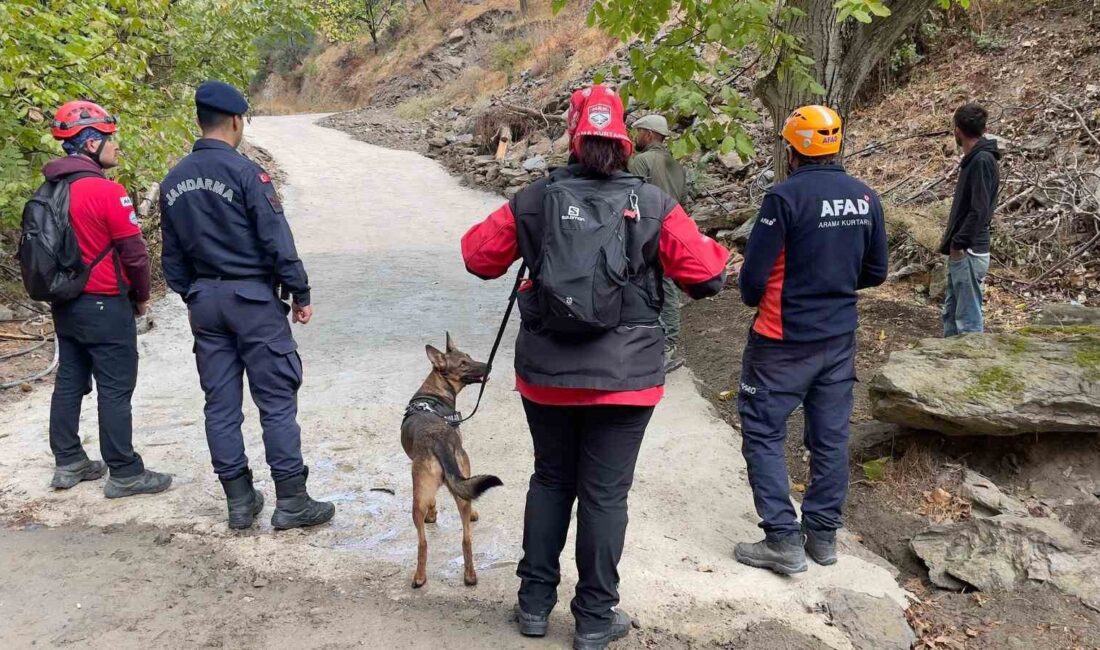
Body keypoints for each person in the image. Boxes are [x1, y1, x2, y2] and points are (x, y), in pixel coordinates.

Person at [462, 85, 729, 650]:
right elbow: (706, 278)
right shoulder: (652, 203)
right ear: (624, 138)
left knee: (551, 479)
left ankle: (534, 606)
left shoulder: (537, 198)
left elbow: (477, 256)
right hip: (627, 380)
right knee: (606, 494)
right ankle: (593, 619)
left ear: (574, 135)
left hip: (547, 376)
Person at [160, 80, 334, 531]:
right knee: (276, 402)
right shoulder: (246, 174)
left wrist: (196, 294)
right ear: (236, 121)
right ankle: (292, 501)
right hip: (253, 301)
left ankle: (239, 501)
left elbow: (172, 259)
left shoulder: (174, 179)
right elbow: (276, 238)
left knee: (220, 405)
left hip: (205, 301)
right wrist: (300, 292)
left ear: (200, 120)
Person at [734, 106, 888, 575]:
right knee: (830, 435)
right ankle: (822, 537)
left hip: (782, 340)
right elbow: (876, 272)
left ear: (792, 149)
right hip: (838, 338)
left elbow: (751, 283)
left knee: (762, 429)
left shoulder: (783, 199)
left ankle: (782, 538)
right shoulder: (865, 197)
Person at [43, 100, 173, 498]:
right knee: (115, 387)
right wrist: (141, 296)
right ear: (89, 143)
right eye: (109, 138)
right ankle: (125, 472)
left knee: (69, 380)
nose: (115, 145)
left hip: (66, 303)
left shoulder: (49, 189)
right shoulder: (107, 191)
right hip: (104, 302)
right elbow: (134, 254)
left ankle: (68, 461)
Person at [627, 114, 689, 372]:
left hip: (648, 231)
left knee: (649, 285)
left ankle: (659, 347)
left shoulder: (641, 162)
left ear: (650, 135)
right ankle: (668, 343)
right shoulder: (676, 164)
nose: (636, 137)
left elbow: (630, 197)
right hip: (673, 230)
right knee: (668, 285)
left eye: (639, 132)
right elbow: (684, 199)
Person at [939, 103, 1000, 336]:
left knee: (968, 320)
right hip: (964, 251)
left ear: (957, 130)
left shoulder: (982, 160)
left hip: (970, 251)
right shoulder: (974, 159)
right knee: (952, 314)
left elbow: (980, 210)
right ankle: (950, 366)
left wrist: (959, 243)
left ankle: (973, 368)